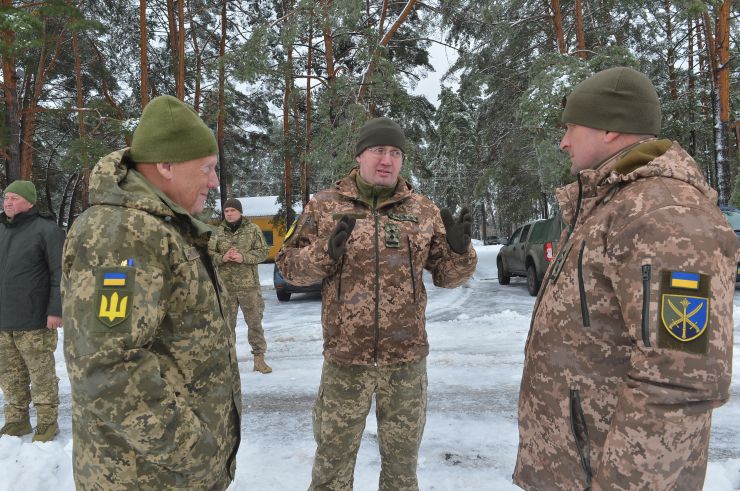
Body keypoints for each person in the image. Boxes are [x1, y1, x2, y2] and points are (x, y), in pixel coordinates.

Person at [513, 67, 736, 490]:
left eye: (571, 127)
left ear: (610, 128)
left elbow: (679, 378)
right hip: (577, 466)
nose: (563, 141)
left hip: (612, 475)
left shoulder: (665, 215)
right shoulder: (612, 204)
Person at [276, 117, 477, 490]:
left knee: (402, 471)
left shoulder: (423, 210)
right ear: (360, 156)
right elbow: (288, 267)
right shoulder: (324, 205)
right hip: (344, 360)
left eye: (396, 153)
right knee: (331, 466)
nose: (387, 160)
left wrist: (460, 251)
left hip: (406, 362)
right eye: (379, 151)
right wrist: (323, 255)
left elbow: (450, 277)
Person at [61, 95, 241, 490]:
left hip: (169, 472)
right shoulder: (123, 234)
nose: (214, 182)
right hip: (143, 476)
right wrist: (196, 453)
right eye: (207, 169)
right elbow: (106, 367)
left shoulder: (166, 226)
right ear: (166, 166)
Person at [0, 180, 65, 442]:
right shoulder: (2, 230)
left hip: (35, 320)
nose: (7, 202)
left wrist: (56, 310)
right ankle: (17, 420)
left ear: (29, 201)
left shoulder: (47, 231)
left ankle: (47, 423)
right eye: (5, 197)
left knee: (41, 375)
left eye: (14, 198)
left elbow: (60, 273)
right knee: (9, 374)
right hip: (4, 320)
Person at [209, 197, 272, 373]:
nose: (229, 214)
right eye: (226, 211)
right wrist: (222, 258)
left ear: (240, 212)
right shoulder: (218, 232)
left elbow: (263, 252)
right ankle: (229, 362)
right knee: (226, 326)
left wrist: (244, 258)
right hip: (226, 288)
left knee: (255, 324)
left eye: (232, 211)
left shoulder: (253, 230)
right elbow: (209, 254)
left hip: (249, 287)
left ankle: (259, 360)